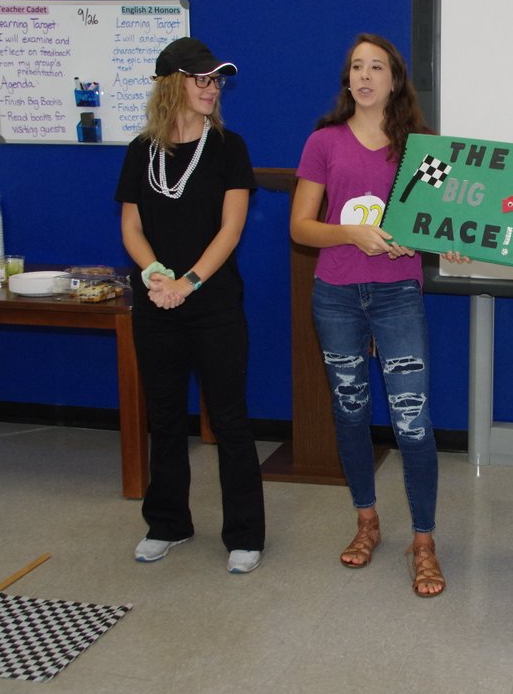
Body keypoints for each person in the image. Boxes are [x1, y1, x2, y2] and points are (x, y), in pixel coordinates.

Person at [290, 33, 452, 597]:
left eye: (376, 67)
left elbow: (436, 222)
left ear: (394, 79)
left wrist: (444, 243)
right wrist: (352, 234)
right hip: (336, 294)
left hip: (397, 295)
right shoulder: (324, 142)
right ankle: (367, 521)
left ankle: (424, 542)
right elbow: (301, 227)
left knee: (413, 421)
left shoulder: (422, 148)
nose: (364, 76)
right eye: (356, 67)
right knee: (351, 412)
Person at [115, 37, 266, 574]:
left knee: (229, 418)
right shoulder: (142, 151)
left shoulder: (229, 148)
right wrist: (156, 275)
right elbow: (131, 227)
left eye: (216, 80)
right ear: (171, 84)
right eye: (201, 78)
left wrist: (189, 282)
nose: (212, 87)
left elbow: (231, 229)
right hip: (156, 301)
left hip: (213, 303)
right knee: (163, 415)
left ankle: (245, 534)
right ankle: (167, 523)